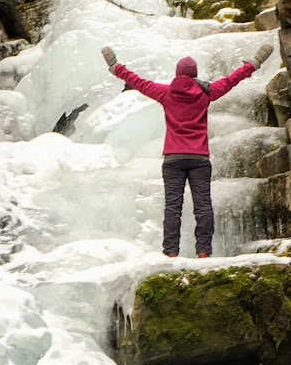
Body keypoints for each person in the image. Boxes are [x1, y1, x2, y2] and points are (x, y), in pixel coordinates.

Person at [101, 43, 274, 258]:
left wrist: (116, 67)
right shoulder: (206, 93)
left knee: (173, 207)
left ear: (177, 74)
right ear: (195, 75)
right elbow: (231, 80)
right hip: (199, 158)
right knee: (203, 206)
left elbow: (138, 82)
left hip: (173, 158)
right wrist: (254, 63)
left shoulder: (165, 93)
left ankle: (171, 253)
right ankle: (203, 252)